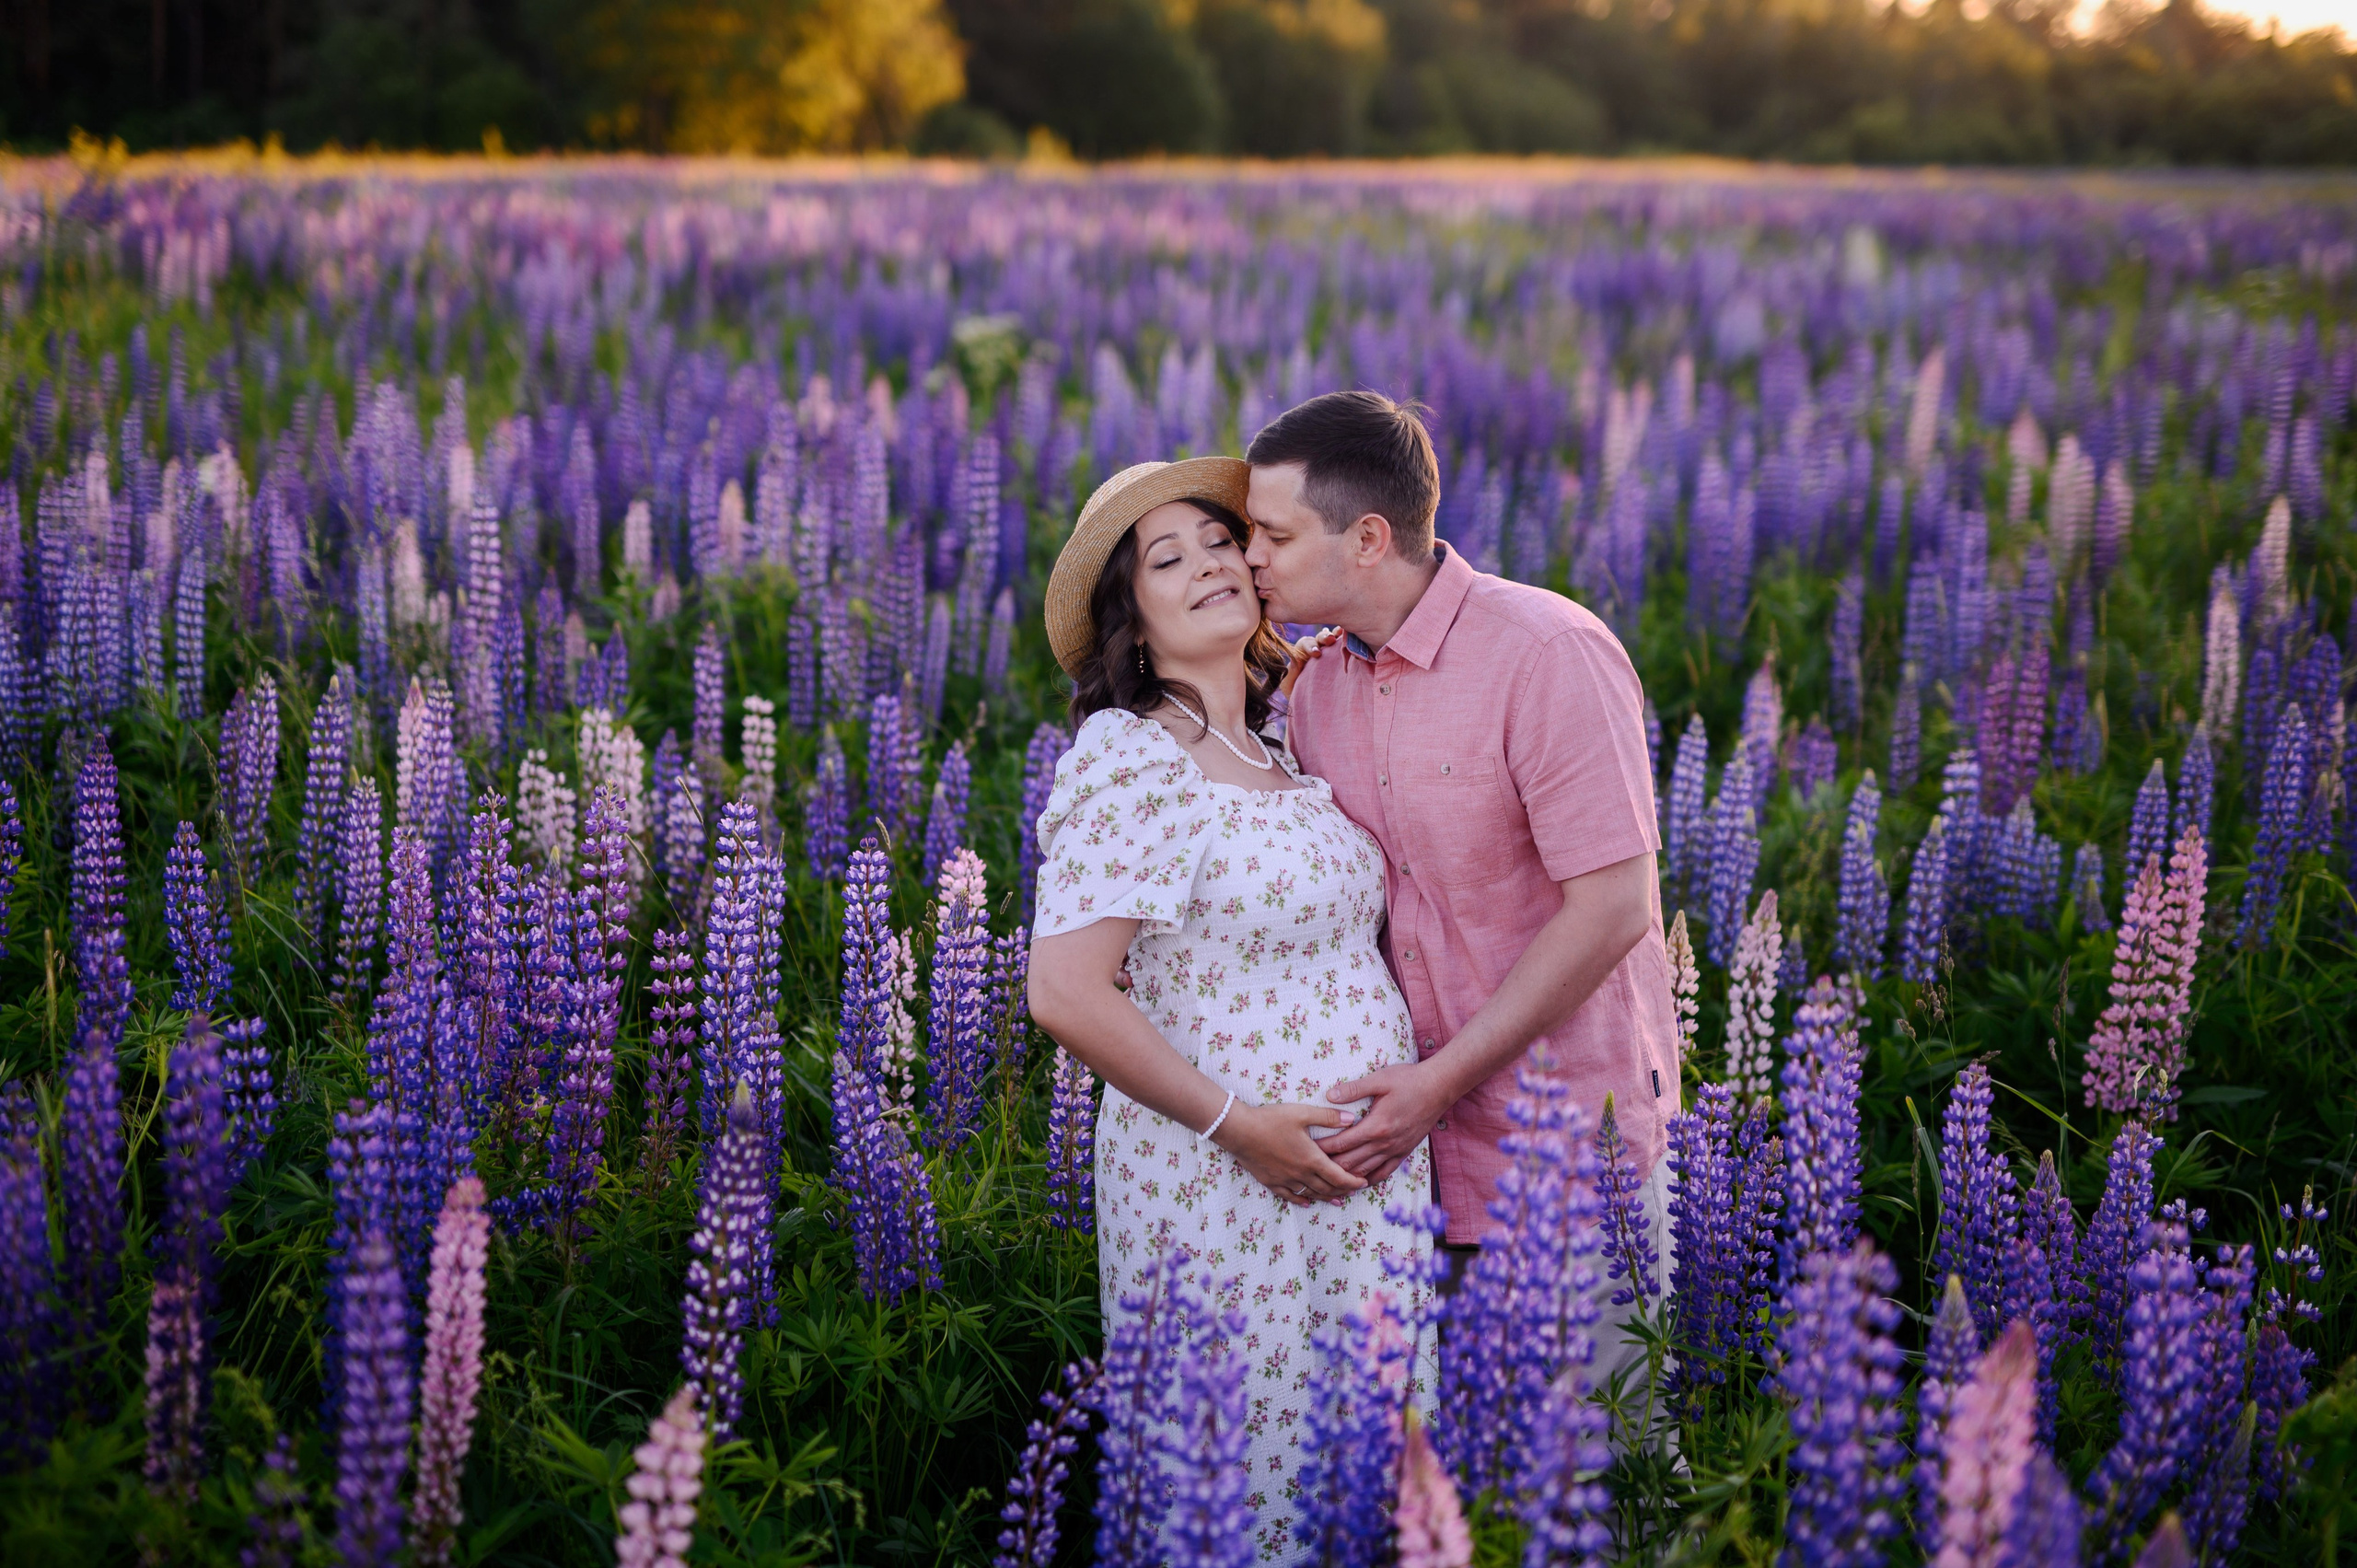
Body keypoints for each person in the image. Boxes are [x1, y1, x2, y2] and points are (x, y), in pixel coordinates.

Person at [1026, 457, 1434, 1559]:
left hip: (1362, 1188)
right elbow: (1063, 989)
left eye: (1221, 542)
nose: (1210, 564)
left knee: (1367, 1481)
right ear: (1132, 621)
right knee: (1241, 1485)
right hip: (1218, 1182)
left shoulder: (1286, 744)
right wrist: (1238, 1125)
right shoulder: (1133, 754)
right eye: (1168, 559)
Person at [1242, 389, 1681, 1401]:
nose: (1250, 555)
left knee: (1603, 1464)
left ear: (1366, 538)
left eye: (1274, 534)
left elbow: (1613, 908)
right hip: (1399, 1176)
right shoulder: (1315, 686)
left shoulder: (1548, 653)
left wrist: (1439, 1082)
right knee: (1450, 1475)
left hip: (1568, 1156)